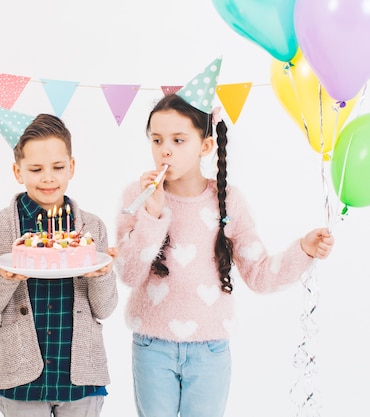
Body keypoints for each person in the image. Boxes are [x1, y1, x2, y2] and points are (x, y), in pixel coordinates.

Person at [116, 91, 335, 416]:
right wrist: (151, 215)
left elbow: (260, 275)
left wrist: (302, 250)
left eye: (178, 140)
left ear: (205, 146)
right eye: (157, 140)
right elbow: (129, 273)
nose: (165, 151)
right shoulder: (138, 196)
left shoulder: (228, 202)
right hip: (151, 347)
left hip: (210, 350)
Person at [0, 113, 119, 417]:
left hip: (80, 379)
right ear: (18, 171)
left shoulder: (91, 228)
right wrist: (6, 277)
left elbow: (105, 309)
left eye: (57, 167)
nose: (48, 177)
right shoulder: (0, 227)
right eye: (36, 169)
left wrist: (101, 276)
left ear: (72, 167)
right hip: (22, 379)